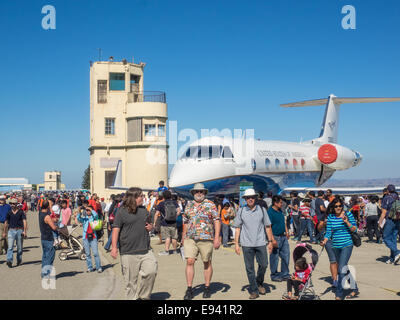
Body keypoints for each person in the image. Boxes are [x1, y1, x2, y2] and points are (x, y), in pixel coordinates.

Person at [110, 187, 157, 300]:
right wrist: (114, 247)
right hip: (128, 251)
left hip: (146, 249)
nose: (143, 197)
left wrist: (151, 227)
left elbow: (149, 225)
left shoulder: (144, 210)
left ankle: (143, 297)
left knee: (151, 271)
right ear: (134, 197)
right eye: (141, 196)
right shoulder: (121, 211)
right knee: (131, 283)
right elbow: (116, 229)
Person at [233, 189, 276, 299]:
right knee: (249, 268)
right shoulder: (241, 211)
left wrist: (270, 241)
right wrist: (236, 244)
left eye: (252, 197)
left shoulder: (262, 210)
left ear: (255, 198)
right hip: (246, 244)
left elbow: (268, 226)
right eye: (248, 197)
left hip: (261, 242)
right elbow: (237, 228)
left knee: (264, 264)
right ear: (245, 199)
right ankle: (254, 290)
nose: (250, 199)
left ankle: (259, 282)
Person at [182, 183, 221, 300]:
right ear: (193, 193)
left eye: (201, 191)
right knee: (189, 261)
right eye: (197, 191)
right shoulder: (188, 205)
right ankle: (189, 288)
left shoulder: (211, 205)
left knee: (206, 262)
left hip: (206, 238)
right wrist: (183, 236)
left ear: (205, 193)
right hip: (190, 238)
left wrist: (217, 237)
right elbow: (185, 221)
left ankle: (207, 287)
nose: (199, 193)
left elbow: (217, 221)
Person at [320, 198, 359, 300]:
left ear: (342, 206)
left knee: (341, 269)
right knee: (343, 268)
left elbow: (355, 229)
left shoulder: (348, 215)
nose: (338, 208)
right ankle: (355, 288)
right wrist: (324, 240)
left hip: (347, 244)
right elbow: (328, 232)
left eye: (340, 206)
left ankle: (339, 294)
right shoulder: (331, 217)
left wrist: (347, 222)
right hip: (336, 246)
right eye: (336, 206)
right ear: (333, 207)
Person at [267, 195, 290, 282]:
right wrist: (272, 240)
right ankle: (274, 275)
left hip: (283, 236)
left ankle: (285, 273)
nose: (282, 204)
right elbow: (269, 227)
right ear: (275, 203)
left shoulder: (280, 211)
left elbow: (284, 222)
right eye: (280, 202)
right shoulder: (270, 212)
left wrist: (287, 231)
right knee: (274, 257)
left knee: (286, 255)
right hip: (275, 237)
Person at [154, 190, 181, 255]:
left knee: (167, 237)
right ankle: (175, 250)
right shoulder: (174, 202)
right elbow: (179, 211)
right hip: (173, 222)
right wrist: (175, 216)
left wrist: (155, 222)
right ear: (170, 196)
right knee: (174, 237)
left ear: (163, 196)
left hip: (165, 223)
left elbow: (156, 214)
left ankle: (167, 251)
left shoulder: (161, 203)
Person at [77, 206, 102, 273]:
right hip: (86, 237)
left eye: (89, 210)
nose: (88, 212)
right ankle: (90, 267)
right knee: (87, 254)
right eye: (87, 210)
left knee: (96, 253)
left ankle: (98, 267)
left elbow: (96, 215)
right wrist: (79, 211)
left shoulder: (94, 218)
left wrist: (90, 209)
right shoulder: (84, 219)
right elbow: (78, 218)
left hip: (93, 237)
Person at [379, 185, 400, 264]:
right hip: (398, 220)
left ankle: (397, 252)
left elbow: (384, 212)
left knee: (386, 238)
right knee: (393, 239)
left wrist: (380, 222)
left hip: (390, 220)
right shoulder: (398, 197)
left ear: (387, 190)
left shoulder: (386, 198)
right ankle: (392, 258)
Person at [3, 198, 27, 268]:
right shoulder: (9, 212)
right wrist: (4, 232)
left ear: (17, 204)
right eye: (11, 204)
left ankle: (19, 260)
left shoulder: (21, 212)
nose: (12, 205)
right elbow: (6, 222)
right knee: (10, 247)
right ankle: (9, 261)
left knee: (19, 248)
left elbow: (24, 221)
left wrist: (24, 231)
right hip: (11, 230)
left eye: (14, 204)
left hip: (19, 231)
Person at [39, 200, 58, 278]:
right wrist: (57, 227)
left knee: (45, 256)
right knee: (50, 256)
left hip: (43, 238)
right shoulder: (47, 216)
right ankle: (46, 273)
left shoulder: (40, 213)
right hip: (48, 238)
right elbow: (53, 227)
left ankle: (43, 272)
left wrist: (52, 220)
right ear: (47, 207)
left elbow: (48, 219)